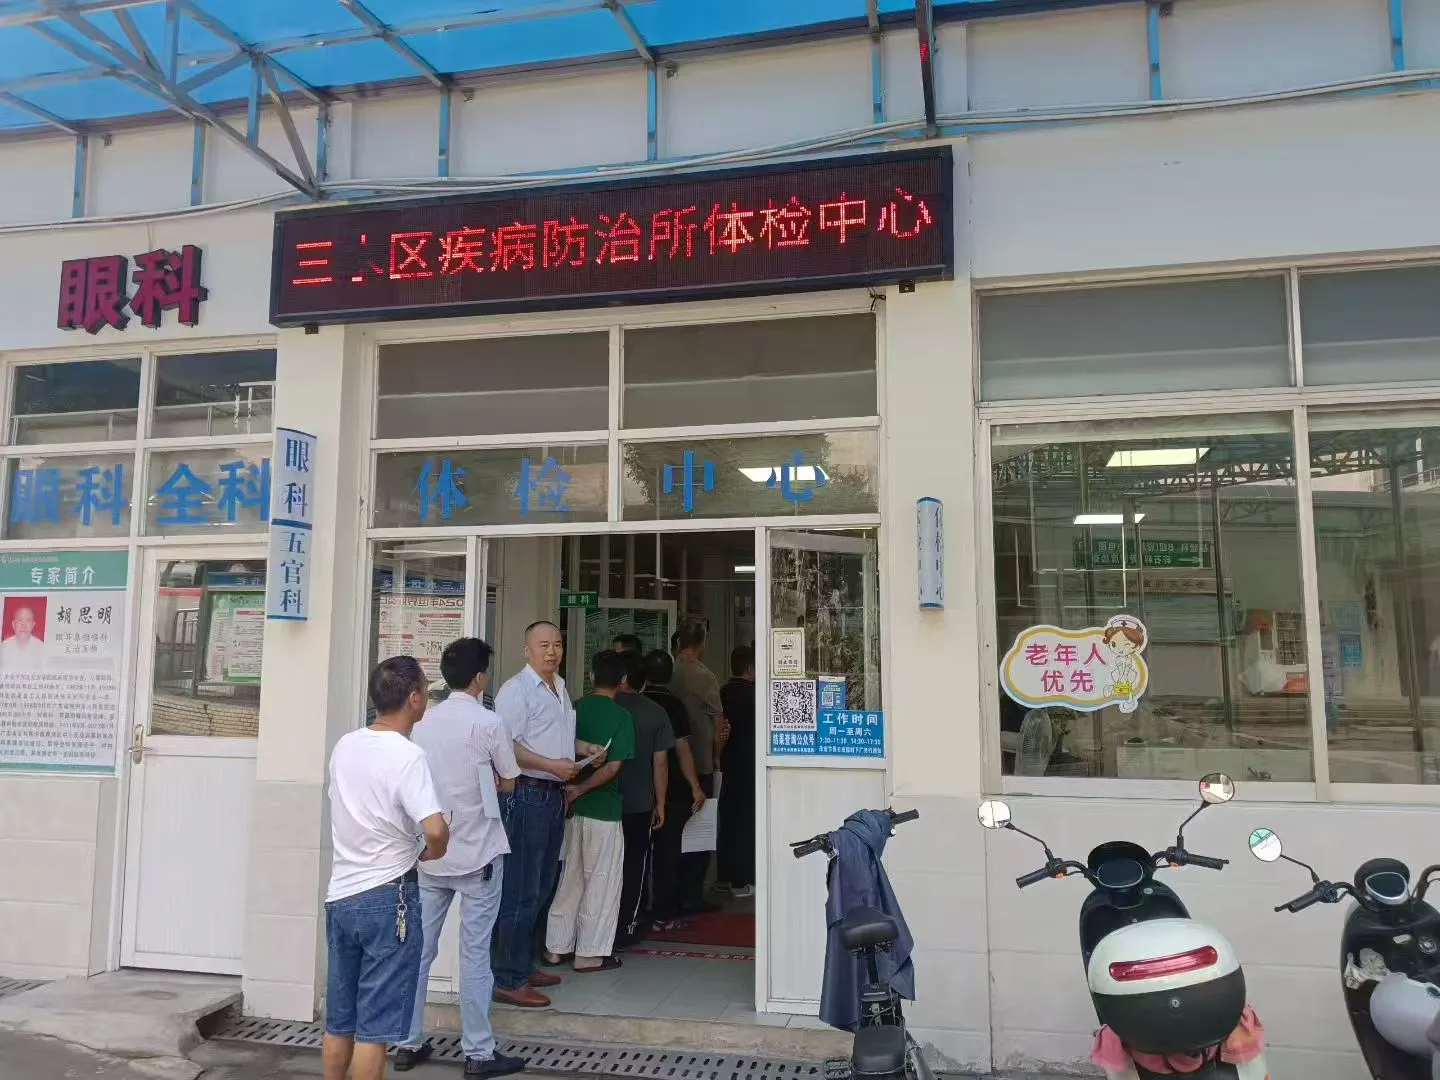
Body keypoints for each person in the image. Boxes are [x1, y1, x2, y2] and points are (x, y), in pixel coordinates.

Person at [396, 639, 524, 1078]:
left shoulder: (423, 722)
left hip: (431, 854)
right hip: (480, 855)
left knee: (419, 952)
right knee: (474, 956)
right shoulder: (489, 723)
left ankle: (407, 1041)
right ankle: (479, 1053)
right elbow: (509, 781)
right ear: (480, 678)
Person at [322, 656, 449, 1080]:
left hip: (341, 895)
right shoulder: (408, 756)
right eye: (426, 690)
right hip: (388, 898)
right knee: (373, 1031)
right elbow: (434, 826)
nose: (427, 697)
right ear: (413, 698)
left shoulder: (346, 745)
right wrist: (433, 850)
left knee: (340, 1021)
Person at [491, 620, 604, 1007]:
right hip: (528, 794)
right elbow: (508, 746)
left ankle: (521, 966)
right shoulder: (516, 691)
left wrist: (583, 747)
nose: (551, 651)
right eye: (543, 645)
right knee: (521, 889)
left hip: (554, 796)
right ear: (526, 650)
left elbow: (555, 736)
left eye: (557, 644)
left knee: (541, 886)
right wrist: (552, 765)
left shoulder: (559, 687)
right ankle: (507, 977)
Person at [544, 649, 635, 972]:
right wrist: (582, 788)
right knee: (601, 881)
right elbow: (612, 768)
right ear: (623, 682)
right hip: (605, 811)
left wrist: (573, 791)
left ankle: (556, 947)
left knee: (569, 879)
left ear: (593, 677)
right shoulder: (622, 717)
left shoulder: (575, 707)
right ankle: (589, 953)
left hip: (570, 808)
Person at [613, 650, 675, 948]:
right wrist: (661, 803)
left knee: (595, 867)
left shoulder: (590, 707)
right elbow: (660, 762)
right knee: (634, 866)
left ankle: (591, 931)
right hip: (639, 803)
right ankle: (625, 925)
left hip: (597, 802)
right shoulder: (654, 712)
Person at [643, 650, 706, 929]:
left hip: (635, 788)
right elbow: (682, 751)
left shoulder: (632, 702)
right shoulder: (673, 705)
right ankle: (662, 912)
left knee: (634, 854)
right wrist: (696, 786)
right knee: (668, 853)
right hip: (671, 791)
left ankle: (636, 912)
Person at [668, 621, 726, 913]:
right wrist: (717, 758)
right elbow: (718, 726)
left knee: (671, 832)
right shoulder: (705, 677)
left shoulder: (669, 672)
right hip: (699, 761)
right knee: (700, 832)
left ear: (679, 643)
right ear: (701, 644)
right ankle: (693, 895)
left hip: (668, 762)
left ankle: (671, 894)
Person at [717, 645, 756, 901]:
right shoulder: (756, 696)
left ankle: (725, 876)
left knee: (728, 821)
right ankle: (742, 881)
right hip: (750, 766)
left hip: (728, 764)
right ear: (751, 669)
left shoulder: (721, 693)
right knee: (745, 824)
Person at [1, 604, 43, 671]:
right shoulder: (3, 647)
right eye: (20, 620)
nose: (23, 625)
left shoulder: (42, 648)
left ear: (33, 625)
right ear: (13, 624)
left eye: (28, 620)